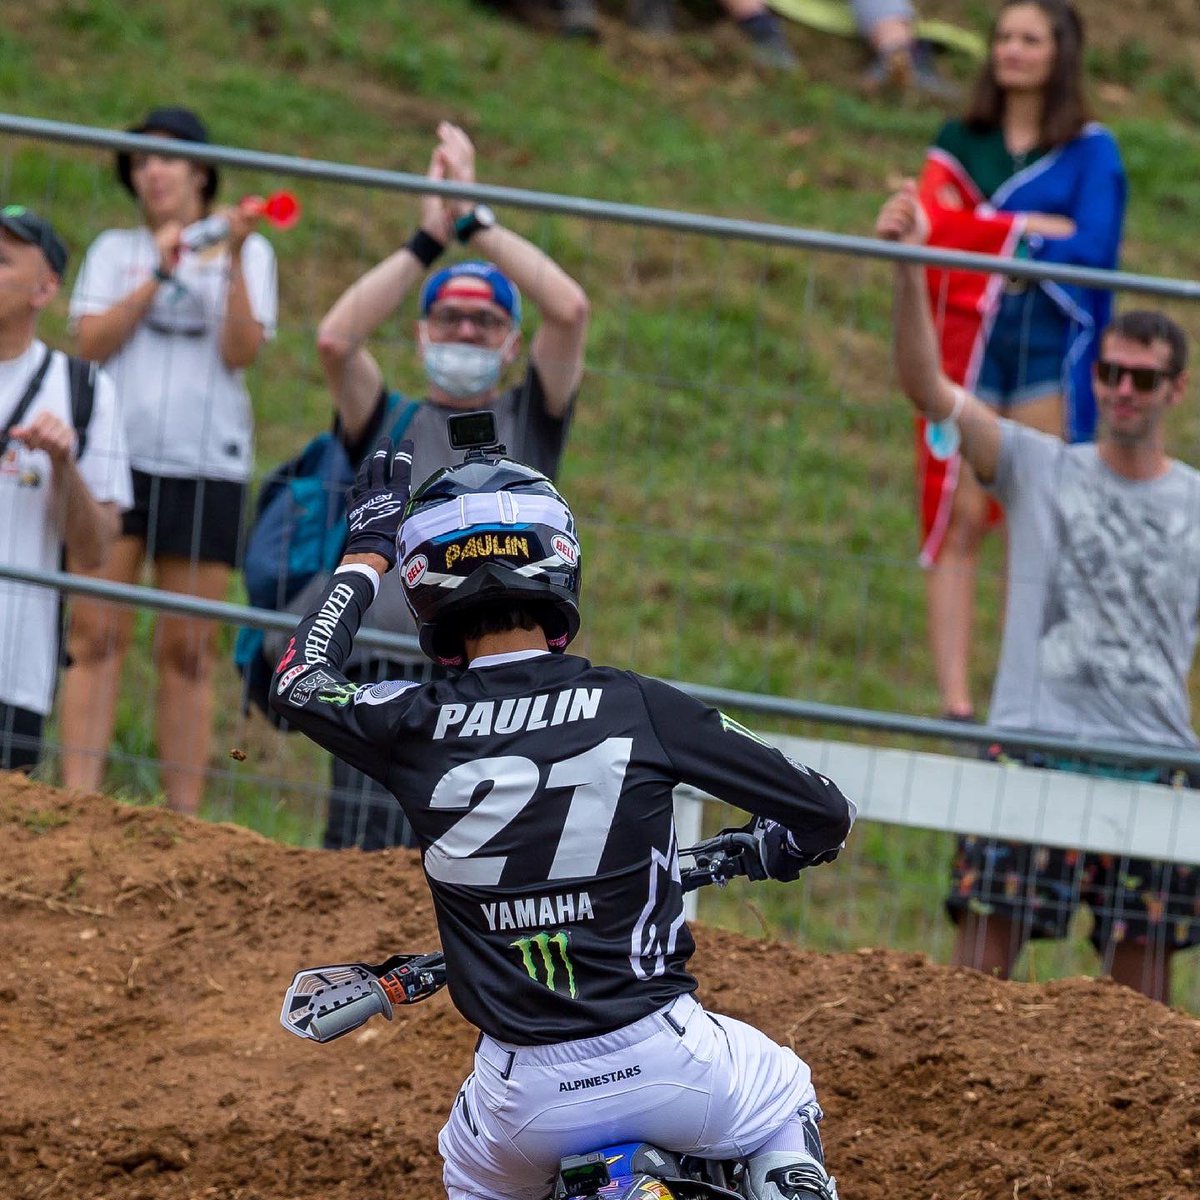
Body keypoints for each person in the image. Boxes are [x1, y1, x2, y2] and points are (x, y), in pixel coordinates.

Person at [271, 433, 855, 1200]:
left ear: (425, 587)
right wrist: (775, 849)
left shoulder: (407, 724)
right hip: (670, 1065)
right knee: (786, 1089)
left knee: (471, 1178)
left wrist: (364, 555)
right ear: (560, 560)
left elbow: (299, 680)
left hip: (521, 1101)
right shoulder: (638, 704)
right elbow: (825, 811)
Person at [878, 180, 1200, 1004]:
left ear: (1174, 390)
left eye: (1141, 378)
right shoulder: (1038, 463)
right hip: (1030, 743)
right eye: (1111, 373)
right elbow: (927, 388)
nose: (1122, 390)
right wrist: (909, 270)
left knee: (1143, 1021)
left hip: (1151, 760)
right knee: (973, 991)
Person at [310, 119, 588, 852]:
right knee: (362, 857)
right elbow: (336, 339)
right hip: (381, 671)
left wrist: (473, 220)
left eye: (485, 321)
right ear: (423, 332)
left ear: (511, 343)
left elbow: (570, 308)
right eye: (449, 317)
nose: (465, 332)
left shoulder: (531, 418)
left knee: (477, 857)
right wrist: (426, 242)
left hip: (494, 681)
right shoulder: (387, 415)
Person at [59, 105, 279, 815]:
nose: (152, 172)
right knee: (96, 632)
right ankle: (78, 805)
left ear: (201, 170)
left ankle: (184, 819)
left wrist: (236, 254)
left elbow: (241, 350)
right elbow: (89, 341)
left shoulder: (253, 253)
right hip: (112, 461)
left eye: (168, 158)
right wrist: (159, 268)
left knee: (189, 649)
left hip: (207, 464)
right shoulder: (114, 248)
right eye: (140, 160)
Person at [912, 0, 1125, 723]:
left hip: (1046, 346)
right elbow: (930, 224)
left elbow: (1095, 247)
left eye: (1030, 39)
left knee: (1035, 515)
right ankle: (956, 705)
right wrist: (1031, 230)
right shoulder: (959, 140)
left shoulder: (1094, 151)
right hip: (967, 343)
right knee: (960, 513)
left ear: (1061, 54)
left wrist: (991, 237)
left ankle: (1023, 698)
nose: (1012, 50)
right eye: (1003, 37)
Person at [0, 205, 131, 772]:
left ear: (45, 289)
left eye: (2, 261)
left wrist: (64, 465)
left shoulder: (82, 389)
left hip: (13, 672)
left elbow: (97, 547)